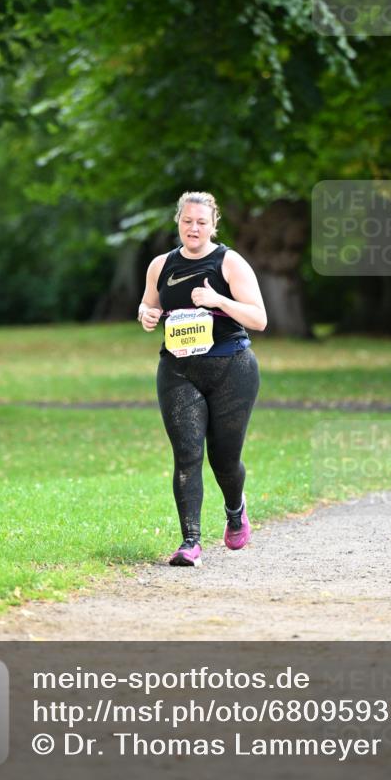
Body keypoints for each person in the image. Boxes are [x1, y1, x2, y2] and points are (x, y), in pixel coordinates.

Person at [138, 191, 267, 566]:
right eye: (187, 221)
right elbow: (150, 305)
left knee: (225, 461)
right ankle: (190, 541)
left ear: (214, 225)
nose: (194, 228)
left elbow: (259, 319)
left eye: (201, 222)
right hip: (178, 370)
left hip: (232, 369)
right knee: (187, 454)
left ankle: (234, 509)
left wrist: (218, 301)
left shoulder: (230, 263)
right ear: (178, 221)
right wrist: (146, 315)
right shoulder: (161, 265)